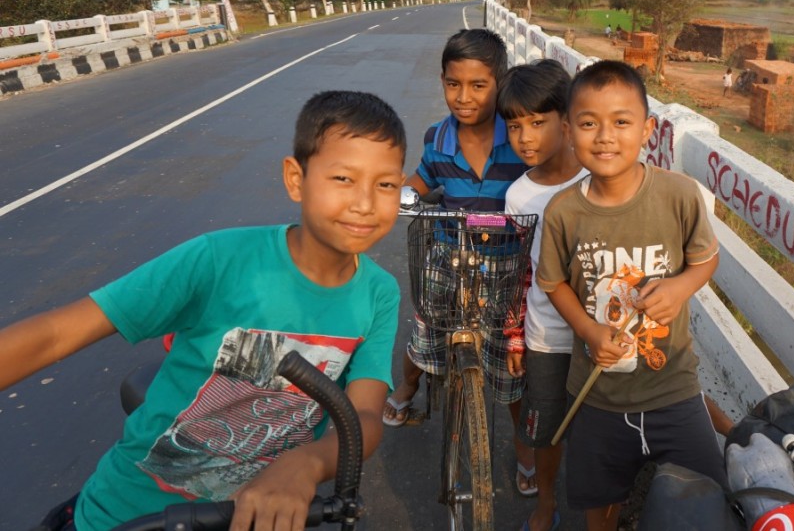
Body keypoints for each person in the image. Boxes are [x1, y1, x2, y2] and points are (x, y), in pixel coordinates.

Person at [1, 91, 407, 531]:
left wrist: (305, 463)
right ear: (296, 179)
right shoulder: (218, 260)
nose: (365, 203)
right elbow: (58, 334)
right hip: (129, 515)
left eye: (385, 184)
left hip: (253, 518)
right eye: (344, 179)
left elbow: (365, 415)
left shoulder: (379, 293)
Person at [536, 60, 728, 531]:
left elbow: (705, 259)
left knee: (708, 496)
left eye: (621, 122)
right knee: (600, 506)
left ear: (647, 130)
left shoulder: (679, 196)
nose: (605, 137)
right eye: (588, 123)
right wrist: (587, 329)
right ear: (568, 131)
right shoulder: (563, 213)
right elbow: (553, 283)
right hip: (597, 394)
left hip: (674, 388)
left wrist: (681, 287)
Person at [381, 28, 538, 495]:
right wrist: (394, 194)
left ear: (500, 82)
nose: (463, 97)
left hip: (509, 266)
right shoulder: (437, 137)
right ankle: (407, 389)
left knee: (510, 367)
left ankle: (524, 447)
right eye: (453, 84)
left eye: (478, 85)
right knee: (427, 334)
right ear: (442, 81)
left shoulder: (519, 139)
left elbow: (548, 178)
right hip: (448, 258)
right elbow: (422, 180)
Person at [498, 59, 589, 531]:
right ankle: (547, 502)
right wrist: (515, 334)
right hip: (546, 334)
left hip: (601, 334)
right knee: (548, 429)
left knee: (601, 430)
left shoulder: (598, 178)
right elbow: (520, 270)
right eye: (515, 126)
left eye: (538, 122)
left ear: (566, 120)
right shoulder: (518, 195)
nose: (526, 137)